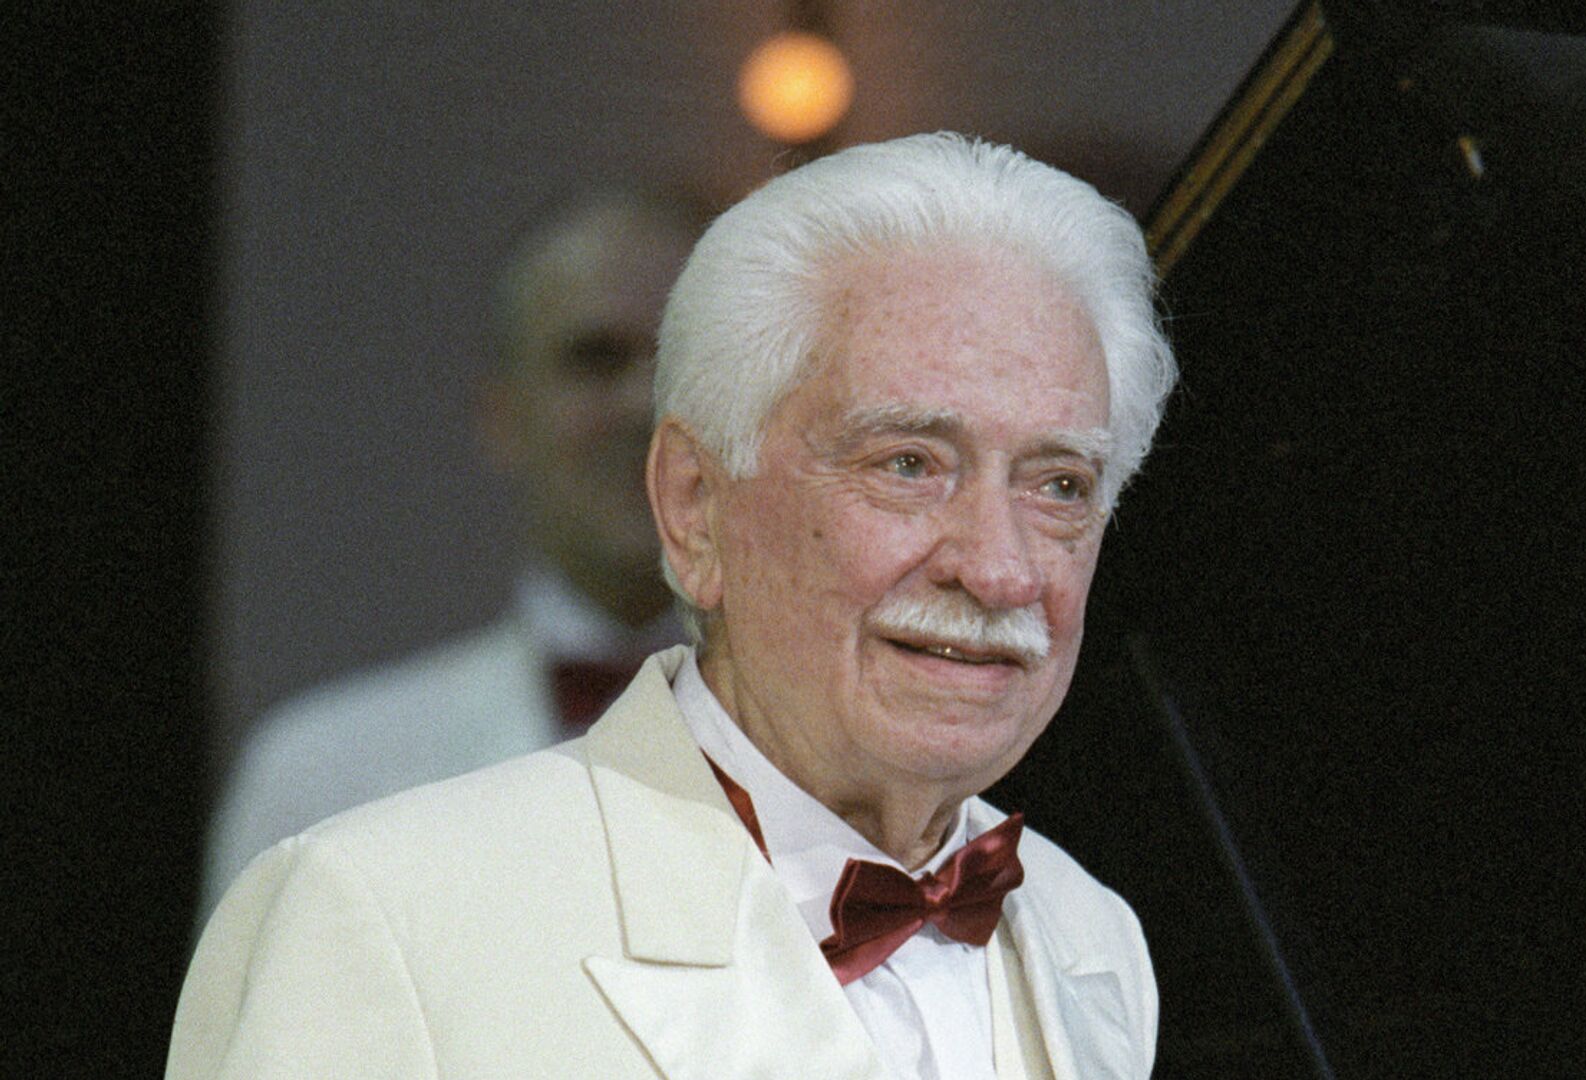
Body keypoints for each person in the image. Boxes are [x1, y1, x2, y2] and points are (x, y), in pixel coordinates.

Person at [170, 132, 1178, 1079]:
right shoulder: (379, 917)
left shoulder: (1092, 937)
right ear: (695, 509)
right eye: (908, 464)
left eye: (1060, 485)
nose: (1000, 570)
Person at [198, 193, 695, 913]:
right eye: (593, 360)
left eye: (682, 361)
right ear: (502, 418)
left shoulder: (847, 772)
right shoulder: (324, 779)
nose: (643, 405)